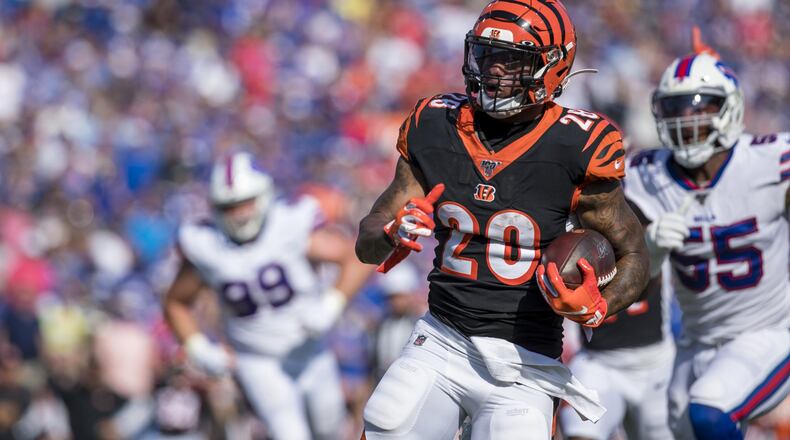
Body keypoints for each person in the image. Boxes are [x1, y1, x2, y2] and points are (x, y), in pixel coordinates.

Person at [354, 1, 649, 438]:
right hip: (441, 341)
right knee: (387, 421)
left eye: (512, 61)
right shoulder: (436, 125)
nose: (494, 70)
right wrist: (391, 232)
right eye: (488, 55)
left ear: (553, 66)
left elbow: (634, 254)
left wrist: (598, 306)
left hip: (526, 364)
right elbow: (367, 241)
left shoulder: (575, 146)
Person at [623, 30, 790, 440]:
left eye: (699, 108)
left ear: (730, 108)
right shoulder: (645, 176)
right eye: (675, 109)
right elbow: (627, 282)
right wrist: (649, 249)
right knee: (684, 427)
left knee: (711, 410)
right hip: (696, 341)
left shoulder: (769, 161)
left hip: (768, 331)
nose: (687, 120)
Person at [163, 152, 371, 440]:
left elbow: (358, 256)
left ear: (264, 196)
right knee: (290, 433)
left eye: (245, 203)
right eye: (230, 207)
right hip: (258, 360)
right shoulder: (207, 245)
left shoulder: (289, 225)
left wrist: (331, 304)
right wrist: (198, 348)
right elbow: (175, 303)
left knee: (330, 429)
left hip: (310, 351)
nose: (239, 214)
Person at [559, 262, 675, 440]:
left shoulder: (657, 245)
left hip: (656, 362)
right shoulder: (574, 244)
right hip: (596, 362)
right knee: (580, 434)